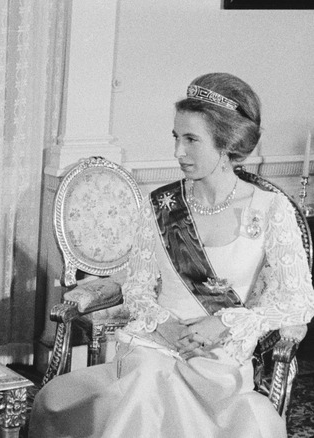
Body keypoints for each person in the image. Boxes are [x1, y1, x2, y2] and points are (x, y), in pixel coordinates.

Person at [30, 73, 314, 437]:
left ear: (226, 143)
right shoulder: (162, 206)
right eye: (176, 138)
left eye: (191, 140)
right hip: (153, 346)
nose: (178, 152)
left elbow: (298, 301)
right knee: (144, 382)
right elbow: (137, 286)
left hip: (220, 360)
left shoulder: (271, 209)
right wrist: (164, 325)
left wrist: (226, 323)